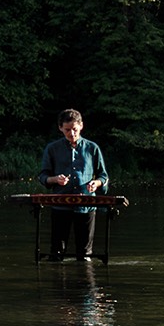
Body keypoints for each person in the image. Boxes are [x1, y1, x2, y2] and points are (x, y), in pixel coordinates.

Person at [37, 108, 109, 260]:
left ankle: (85, 280)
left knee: (84, 255)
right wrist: (55, 179)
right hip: (60, 205)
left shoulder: (92, 148)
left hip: (86, 205)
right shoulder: (52, 149)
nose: (72, 134)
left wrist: (95, 183)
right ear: (60, 128)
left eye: (75, 129)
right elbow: (43, 176)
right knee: (56, 254)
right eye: (67, 130)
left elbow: (103, 176)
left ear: (81, 126)